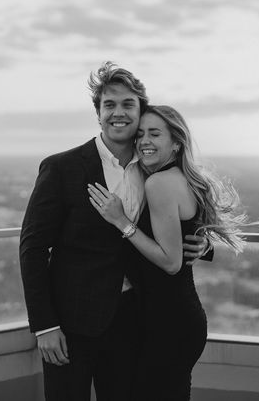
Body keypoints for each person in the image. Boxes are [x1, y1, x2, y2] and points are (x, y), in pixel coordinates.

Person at [19, 62, 211, 401]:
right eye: (109, 104)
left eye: (127, 105)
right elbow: (32, 250)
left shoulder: (152, 171)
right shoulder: (62, 167)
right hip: (72, 326)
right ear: (98, 112)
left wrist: (202, 243)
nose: (118, 113)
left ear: (140, 111)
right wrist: (45, 326)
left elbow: (172, 222)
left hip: (133, 324)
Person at [88, 105, 247, 400]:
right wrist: (203, 245)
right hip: (180, 318)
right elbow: (185, 238)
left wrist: (121, 221)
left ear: (176, 142)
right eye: (141, 134)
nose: (144, 140)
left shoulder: (159, 183)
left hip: (168, 323)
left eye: (155, 133)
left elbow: (171, 262)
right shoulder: (181, 178)